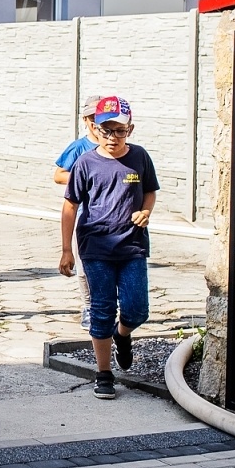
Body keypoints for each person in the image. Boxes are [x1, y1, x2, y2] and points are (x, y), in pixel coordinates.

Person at [59, 96, 160, 400]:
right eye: (106, 131)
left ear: (131, 129)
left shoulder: (140, 157)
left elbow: (150, 192)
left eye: (120, 131)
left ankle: (123, 334)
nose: (113, 138)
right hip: (96, 249)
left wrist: (146, 211)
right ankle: (104, 374)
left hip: (132, 247)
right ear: (95, 129)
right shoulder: (85, 162)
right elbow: (70, 206)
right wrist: (66, 249)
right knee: (101, 310)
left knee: (137, 308)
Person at [53, 96, 103, 332]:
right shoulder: (79, 147)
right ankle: (88, 307)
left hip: (111, 219)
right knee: (83, 267)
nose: (95, 122)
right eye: (91, 118)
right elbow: (58, 175)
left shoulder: (116, 146)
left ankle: (106, 307)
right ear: (85, 120)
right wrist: (85, 178)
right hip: (84, 217)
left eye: (99, 117)